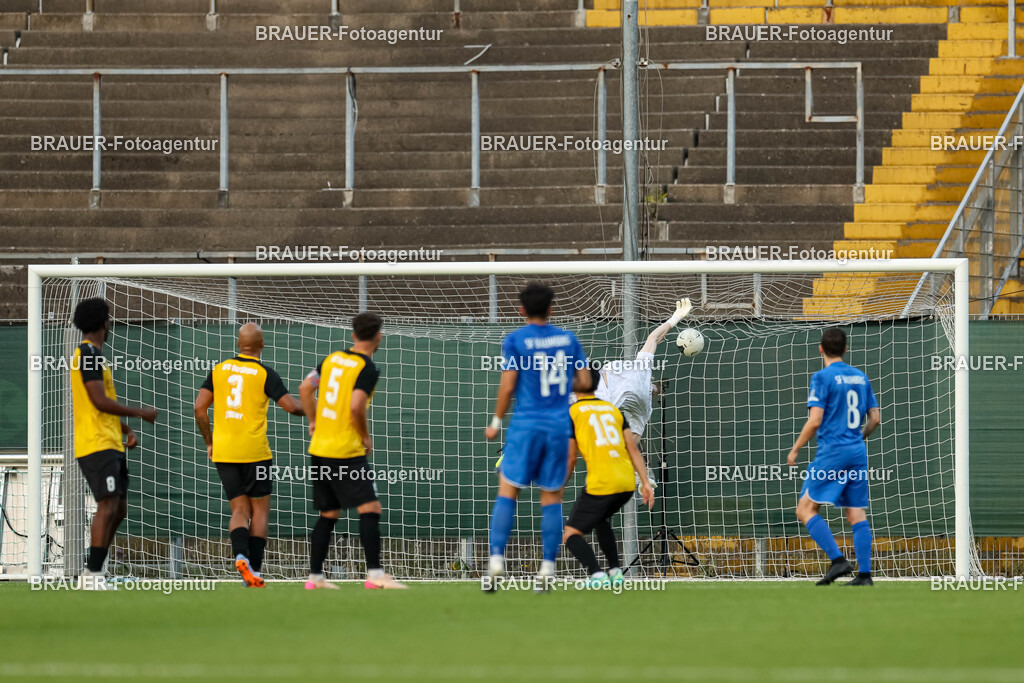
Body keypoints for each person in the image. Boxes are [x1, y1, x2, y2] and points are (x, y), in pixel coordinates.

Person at [483, 283, 590, 591]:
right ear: (551, 309)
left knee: (508, 489)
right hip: (558, 426)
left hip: (526, 424)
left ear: (522, 310)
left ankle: (495, 563)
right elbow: (583, 379)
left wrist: (495, 421)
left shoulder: (516, 340)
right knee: (552, 497)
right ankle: (547, 569)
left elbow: (507, 386)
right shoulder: (568, 339)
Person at [299, 312, 406, 590]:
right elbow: (356, 406)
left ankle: (315, 578)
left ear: (353, 335)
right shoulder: (366, 367)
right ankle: (375, 575)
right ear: (378, 337)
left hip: (320, 447)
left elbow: (304, 388)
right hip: (345, 449)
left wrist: (313, 420)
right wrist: (365, 437)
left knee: (329, 513)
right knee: (370, 507)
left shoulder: (331, 359)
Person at [194, 323, 305, 587]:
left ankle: (240, 555)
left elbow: (199, 408)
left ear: (238, 344)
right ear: (262, 345)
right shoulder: (265, 373)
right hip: (255, 452)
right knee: (260, 511)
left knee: (239, 510)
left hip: (225, 451)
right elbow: (291, 407)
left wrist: (209, 442)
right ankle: (253, 570)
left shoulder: (219, 370)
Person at [69, 298, 158, 589]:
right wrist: (139, 412)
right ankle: (92, 574)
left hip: (110, 442)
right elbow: (98, 401)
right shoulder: (87, 355)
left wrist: (125, 428)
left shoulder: (95, 355)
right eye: (109, 319)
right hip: (95, 444)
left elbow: (98, 405)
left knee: (119, 509)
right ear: (104, 323)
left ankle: (94, 571)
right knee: (107, 505)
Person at [787, 327, 881, 586]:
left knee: (805, 509)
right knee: (856, 513)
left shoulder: (822, 377)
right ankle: (864, 575)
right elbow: (875, 418)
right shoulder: (861, 377)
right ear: (846, 349)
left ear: (821, 349)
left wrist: (795, 448)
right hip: (856, 451)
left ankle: (838, 560)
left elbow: (815, 420)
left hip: (833, 452)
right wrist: (859, 437)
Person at [563, 366, 654, 586]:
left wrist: (559, 486)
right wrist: (644, 483)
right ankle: (615, 572)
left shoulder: (573, 412)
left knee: (571, 534)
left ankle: (596, 574)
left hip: (602, 483)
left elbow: (571, 458)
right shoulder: (613, 410)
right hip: (625, 482)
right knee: (601, 520)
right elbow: (633, 449)